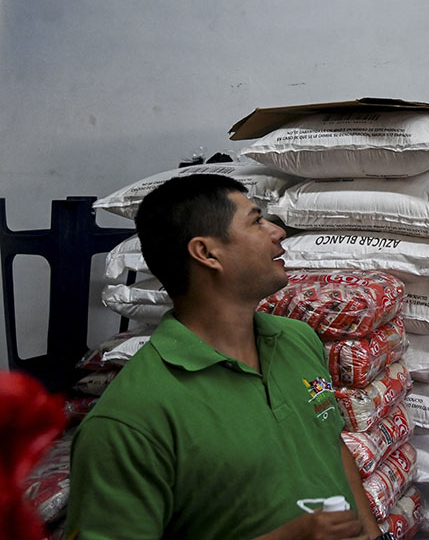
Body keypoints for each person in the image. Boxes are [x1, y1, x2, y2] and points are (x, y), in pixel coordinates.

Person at [65, 174, 376, 540]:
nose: (278, 232)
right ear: (207, 253)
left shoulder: (297, 340)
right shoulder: (129, 419)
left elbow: (330, 444)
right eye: (256, 221)